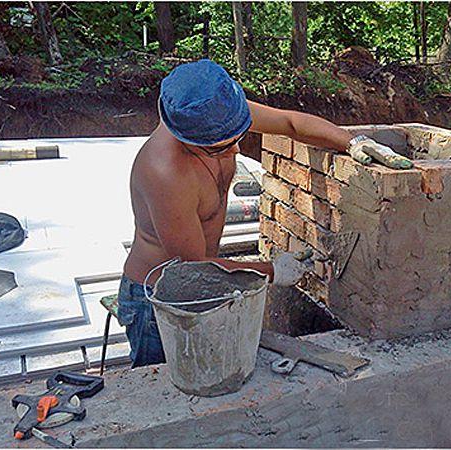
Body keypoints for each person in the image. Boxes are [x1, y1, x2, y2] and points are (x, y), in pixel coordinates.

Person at [117, 59, 412, 367]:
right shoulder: (165, 173)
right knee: (169, 387)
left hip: (205, 283)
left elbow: (290, 123)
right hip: (158, 301)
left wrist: (354, 143)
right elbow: (195, 268)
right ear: (188, 139)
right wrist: (274, 271)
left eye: (237, 137)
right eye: (219, 148)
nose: (235, 151)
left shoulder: (216, 112)